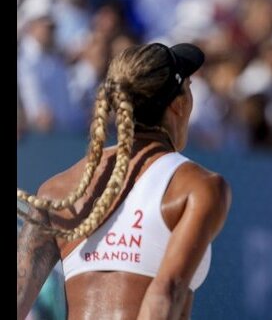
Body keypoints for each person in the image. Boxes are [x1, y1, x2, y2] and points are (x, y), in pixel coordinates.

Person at [17, 42, 232, 319]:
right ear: (178, 105)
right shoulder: (198, 185)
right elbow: (165, 294)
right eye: (189, 87)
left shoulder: (57, 189)